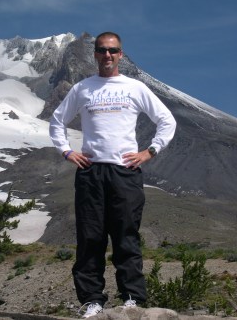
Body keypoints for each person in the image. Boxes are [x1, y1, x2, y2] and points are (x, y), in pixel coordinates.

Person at [49, 32, 176, 318]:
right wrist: (68, 152)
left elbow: (167, 121)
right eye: (102, 51)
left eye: (113, 51)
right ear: (94, 54)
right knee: (90, 237)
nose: (107, 55)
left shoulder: (135, 87)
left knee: (125, 236)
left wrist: (149, 151)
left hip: (125, 172)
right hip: (91, 172)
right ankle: (92, 301)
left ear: (121, 54)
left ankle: (132, 298)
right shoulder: (83, 88)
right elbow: (57, 121)